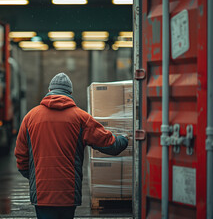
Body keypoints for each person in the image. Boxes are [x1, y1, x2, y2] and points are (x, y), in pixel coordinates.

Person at [14, 72, 128, 219]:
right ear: (70, 93)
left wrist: (35, 178)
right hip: (68, 193)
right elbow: (110, 145)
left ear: (49, 91)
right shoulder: (81, 117)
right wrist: (125, 139)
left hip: (41, 193)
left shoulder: (30, 117)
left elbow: (21, 156)